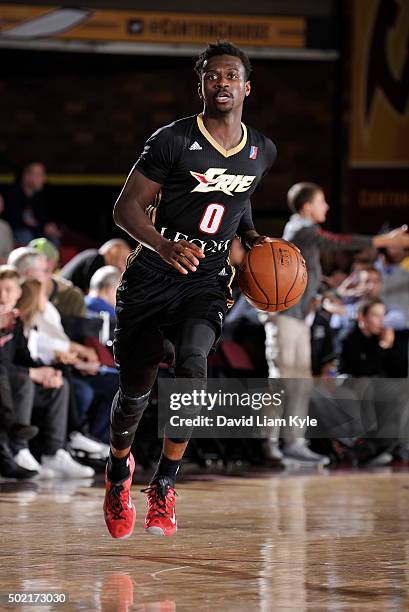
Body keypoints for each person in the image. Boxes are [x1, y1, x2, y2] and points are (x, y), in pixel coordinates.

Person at [103, 41, 277, 539]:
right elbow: (126, 209)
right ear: (201, 84)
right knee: (135, 391)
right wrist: (162, 245)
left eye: (231, 76)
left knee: (193, 370)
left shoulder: (262, 149)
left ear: (246, 87)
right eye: (212, 75)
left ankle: (165, 484)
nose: (222, 83)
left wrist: (249, 237)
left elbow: (237, 199)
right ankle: (118, 471)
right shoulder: (173, 140)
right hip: (154, 273)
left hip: (207, 278)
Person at [260, 182, 409, 465]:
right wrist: (385, 241)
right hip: (284, 319)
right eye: (322, 201)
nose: (326, 206)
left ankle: (294, 443)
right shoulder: (301, 230)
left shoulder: (303, 235)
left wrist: (330, 295)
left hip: (298, 319)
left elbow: (309, 278)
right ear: (307, 207)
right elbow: (339, 242)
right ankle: (268, 445)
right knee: (281, 382)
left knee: (299, 384)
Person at [0, 265, 94, 478]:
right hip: (9, 382)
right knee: (24, 381)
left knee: (59, 386)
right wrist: (32, 373)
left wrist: (44, 371)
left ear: (18, 294)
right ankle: (19, 449)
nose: (3, 295)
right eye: (0, 289)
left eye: (8, 290)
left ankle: (54, 453)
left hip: (14, 380)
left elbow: (23, 356)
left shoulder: (14, 322)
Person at [2, 162, 60, 245]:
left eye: (43, 175)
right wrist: (41, 227)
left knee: (54, 239)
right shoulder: (12, 195)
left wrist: (49, 226)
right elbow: (15, 222)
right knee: (25, 235)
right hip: (14, 234)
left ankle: (48, 258)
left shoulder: (40, 198)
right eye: (39, 175)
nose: (43, 179)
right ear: (27, 176)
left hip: (35, 232)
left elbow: (43, 219)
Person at [29, 237, 87, 318]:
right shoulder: (18, 292)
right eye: (30, 262)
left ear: (53, 264)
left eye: (43, 260)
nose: (36, 266)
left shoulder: (72, 297)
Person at [60, 239, 131, 294]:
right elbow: (92, 292)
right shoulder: (97, 258)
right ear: (113, 250)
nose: (123, 266)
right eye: (123, 259)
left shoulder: (92, 256)